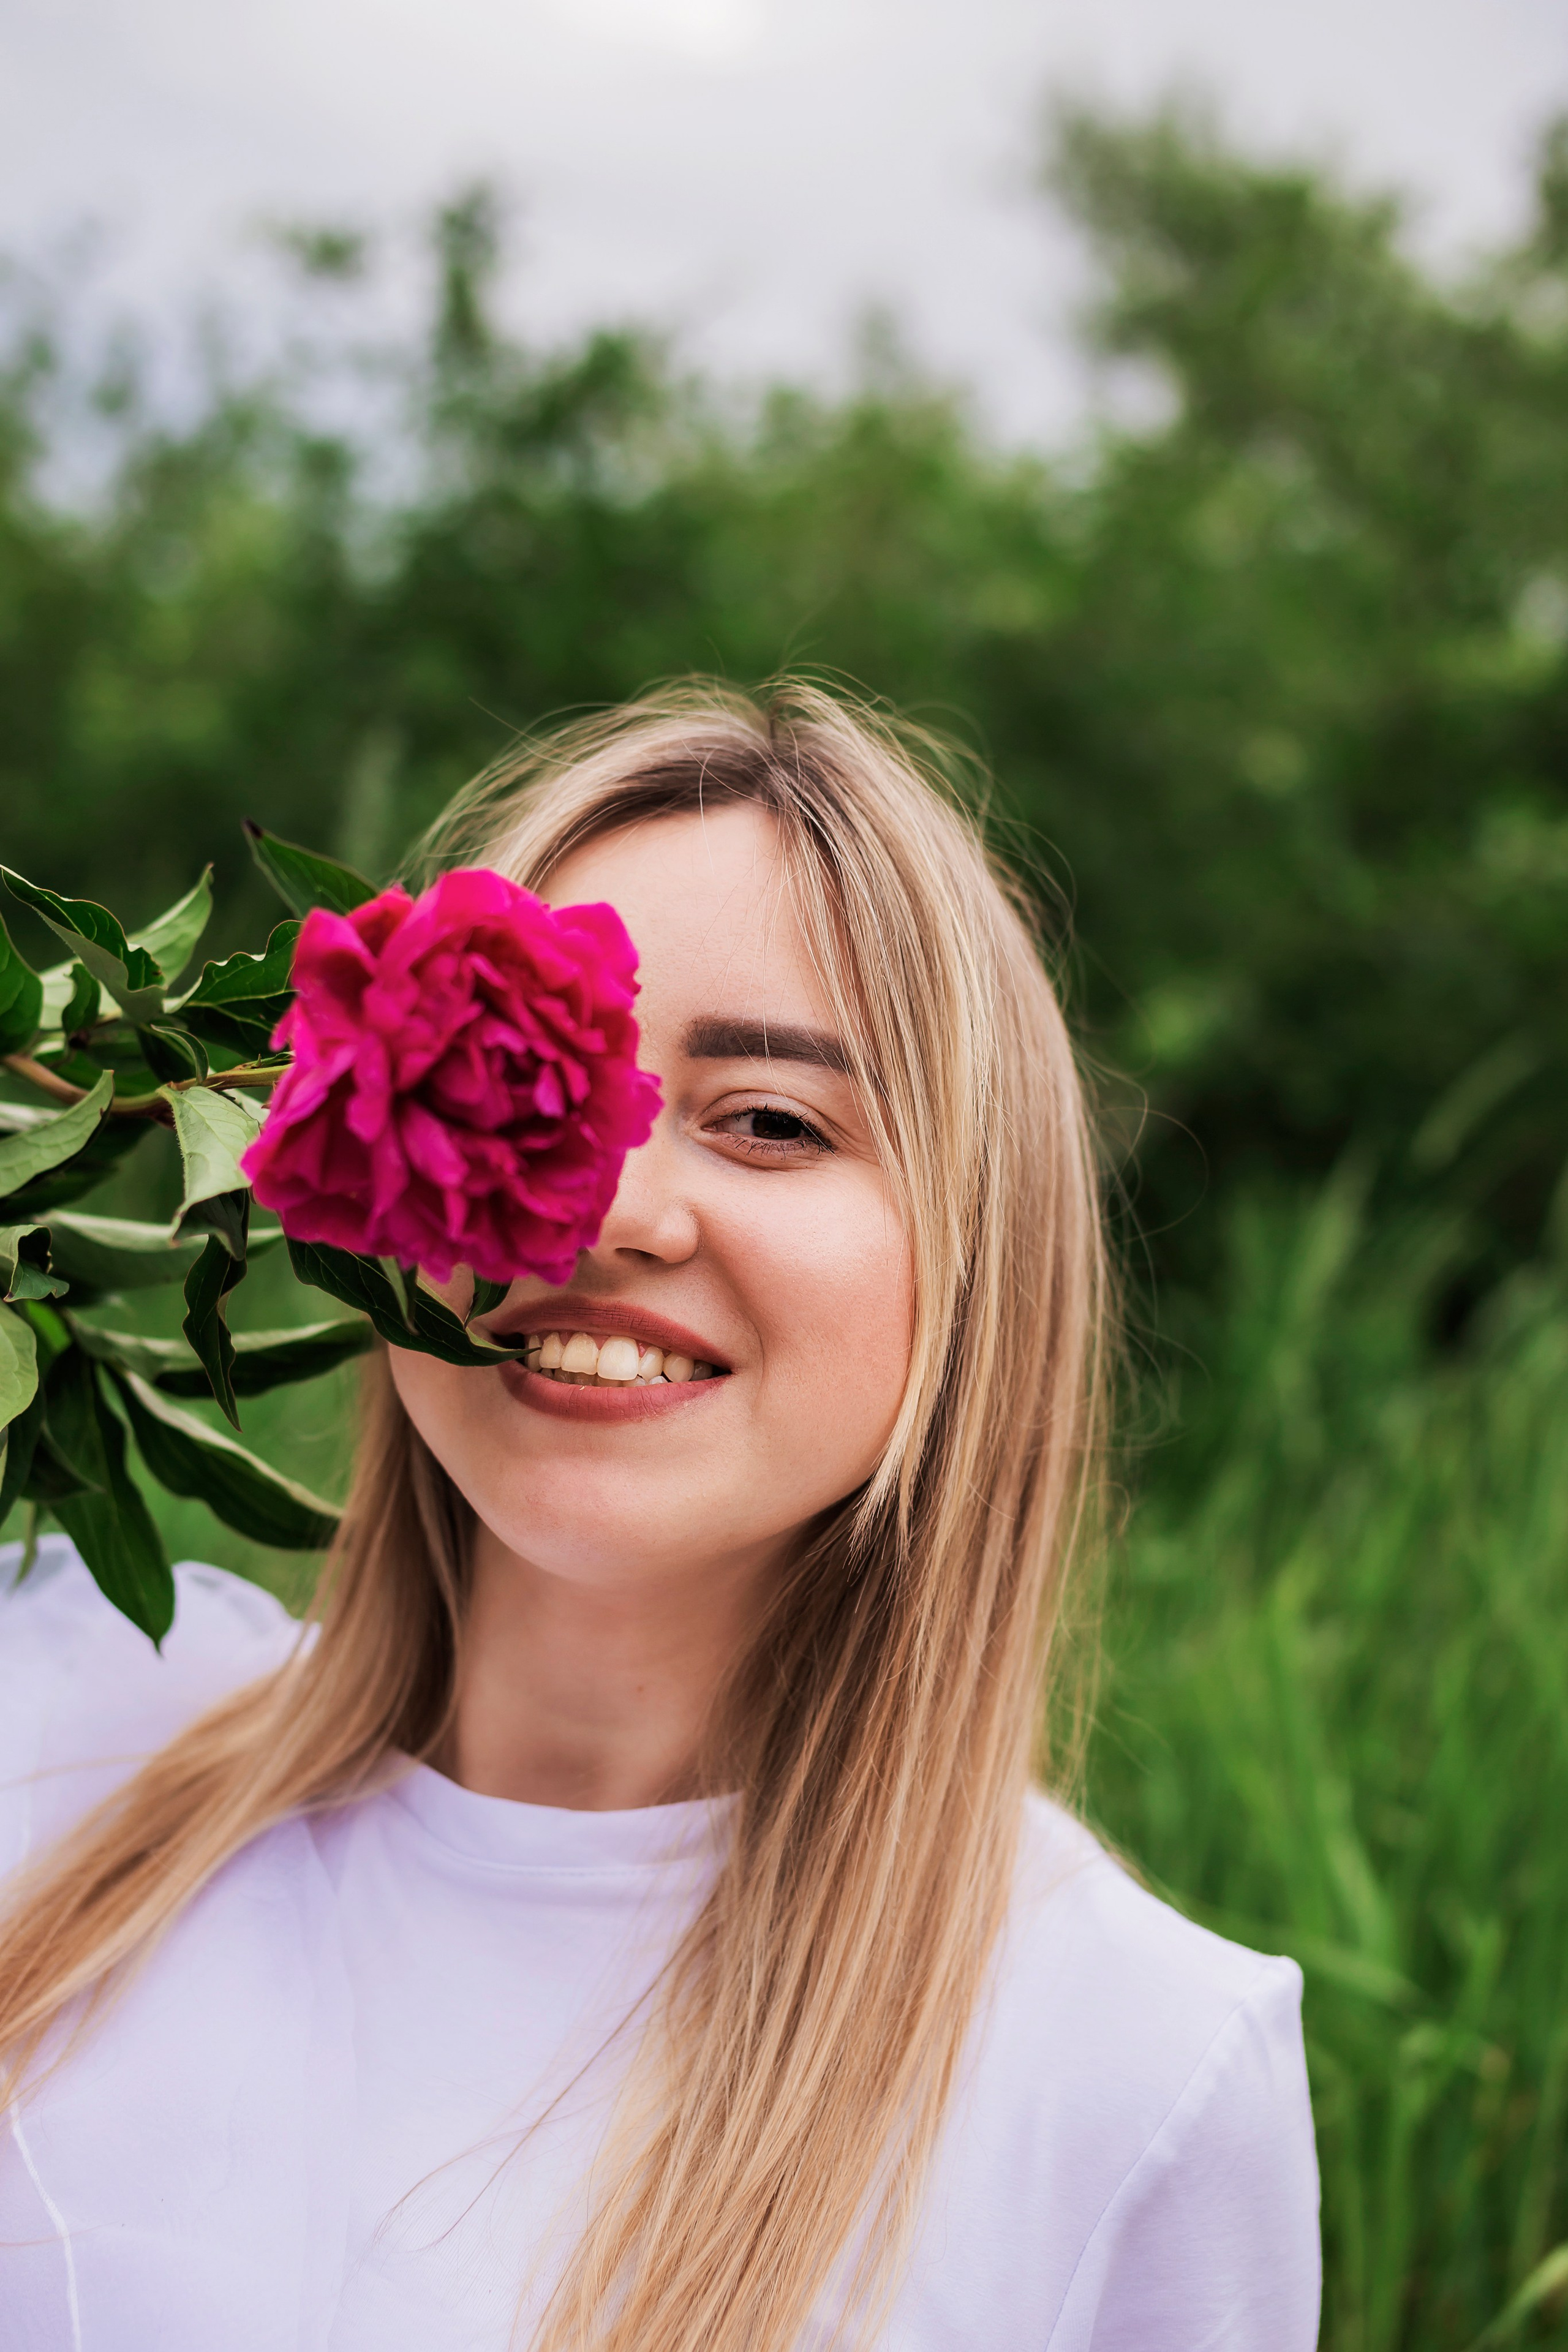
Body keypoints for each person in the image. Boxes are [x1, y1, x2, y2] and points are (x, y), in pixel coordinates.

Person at [0, 684, 1320, 2350]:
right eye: (531, 1095)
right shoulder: (49, 1713)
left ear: (982, 1258)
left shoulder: (1136, 2068)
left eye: (772, 1121)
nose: (605, 1205)